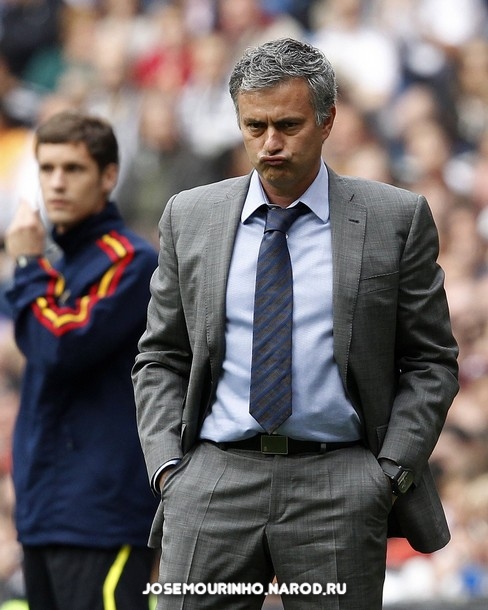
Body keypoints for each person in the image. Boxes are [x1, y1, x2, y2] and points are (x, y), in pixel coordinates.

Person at [132, 38, 459, 610]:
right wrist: (168, 469)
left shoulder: (394, 219)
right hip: (211, 481)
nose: (270, 143)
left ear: (327, 121)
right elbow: (161, 356)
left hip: (339, 485)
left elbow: (431, 361)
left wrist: (387, 474)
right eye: (254, 126)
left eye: (288, 125)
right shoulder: (190, 215)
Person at [5, 110, 158, 610]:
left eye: (73, 168)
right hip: (43, 511)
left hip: (102, 515)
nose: (56, 183)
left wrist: (27, 265)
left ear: (108, 176)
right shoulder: (57, 264)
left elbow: (61, 347)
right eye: (47, 168)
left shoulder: (131, 260)